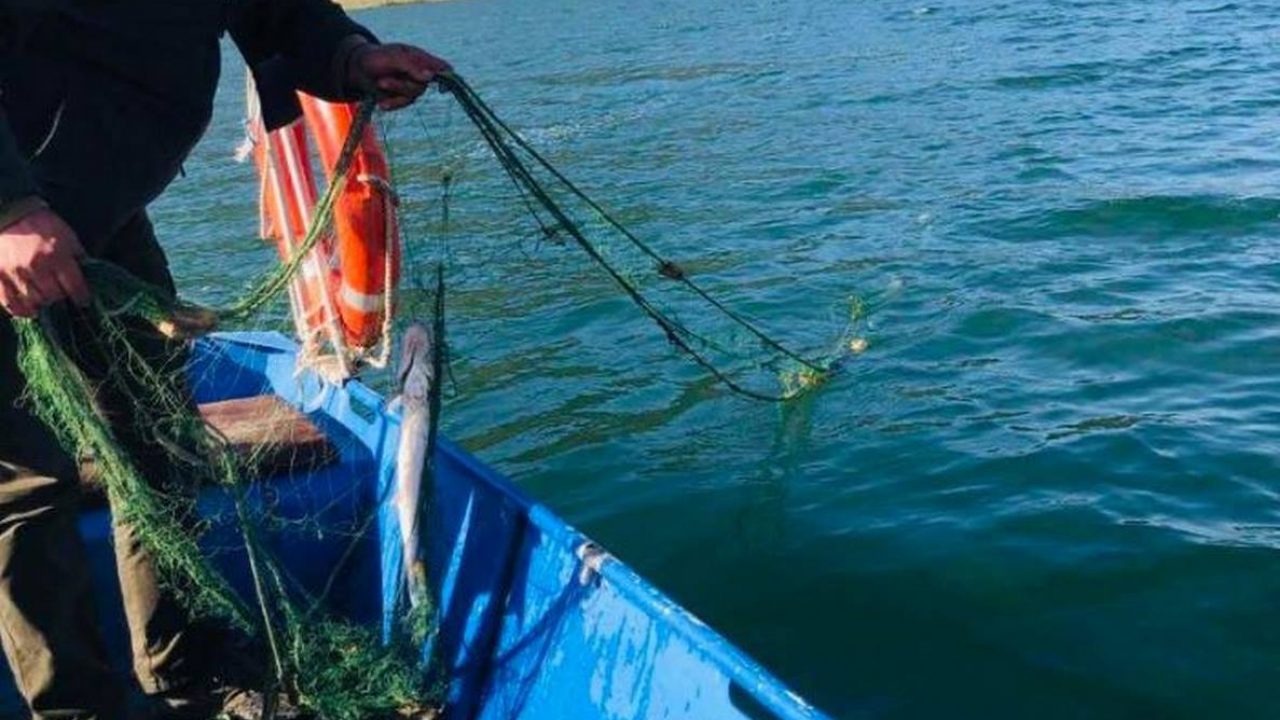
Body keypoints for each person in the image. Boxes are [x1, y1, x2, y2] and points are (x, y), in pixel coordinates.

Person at [0, 2, 450, 718]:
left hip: (102, 208)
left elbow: (276, 11)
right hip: (15, 219)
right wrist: (11, 209)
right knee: (25, 485)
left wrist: (349, 56)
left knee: (158, 441)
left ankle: (184, 667)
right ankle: (75, 708)